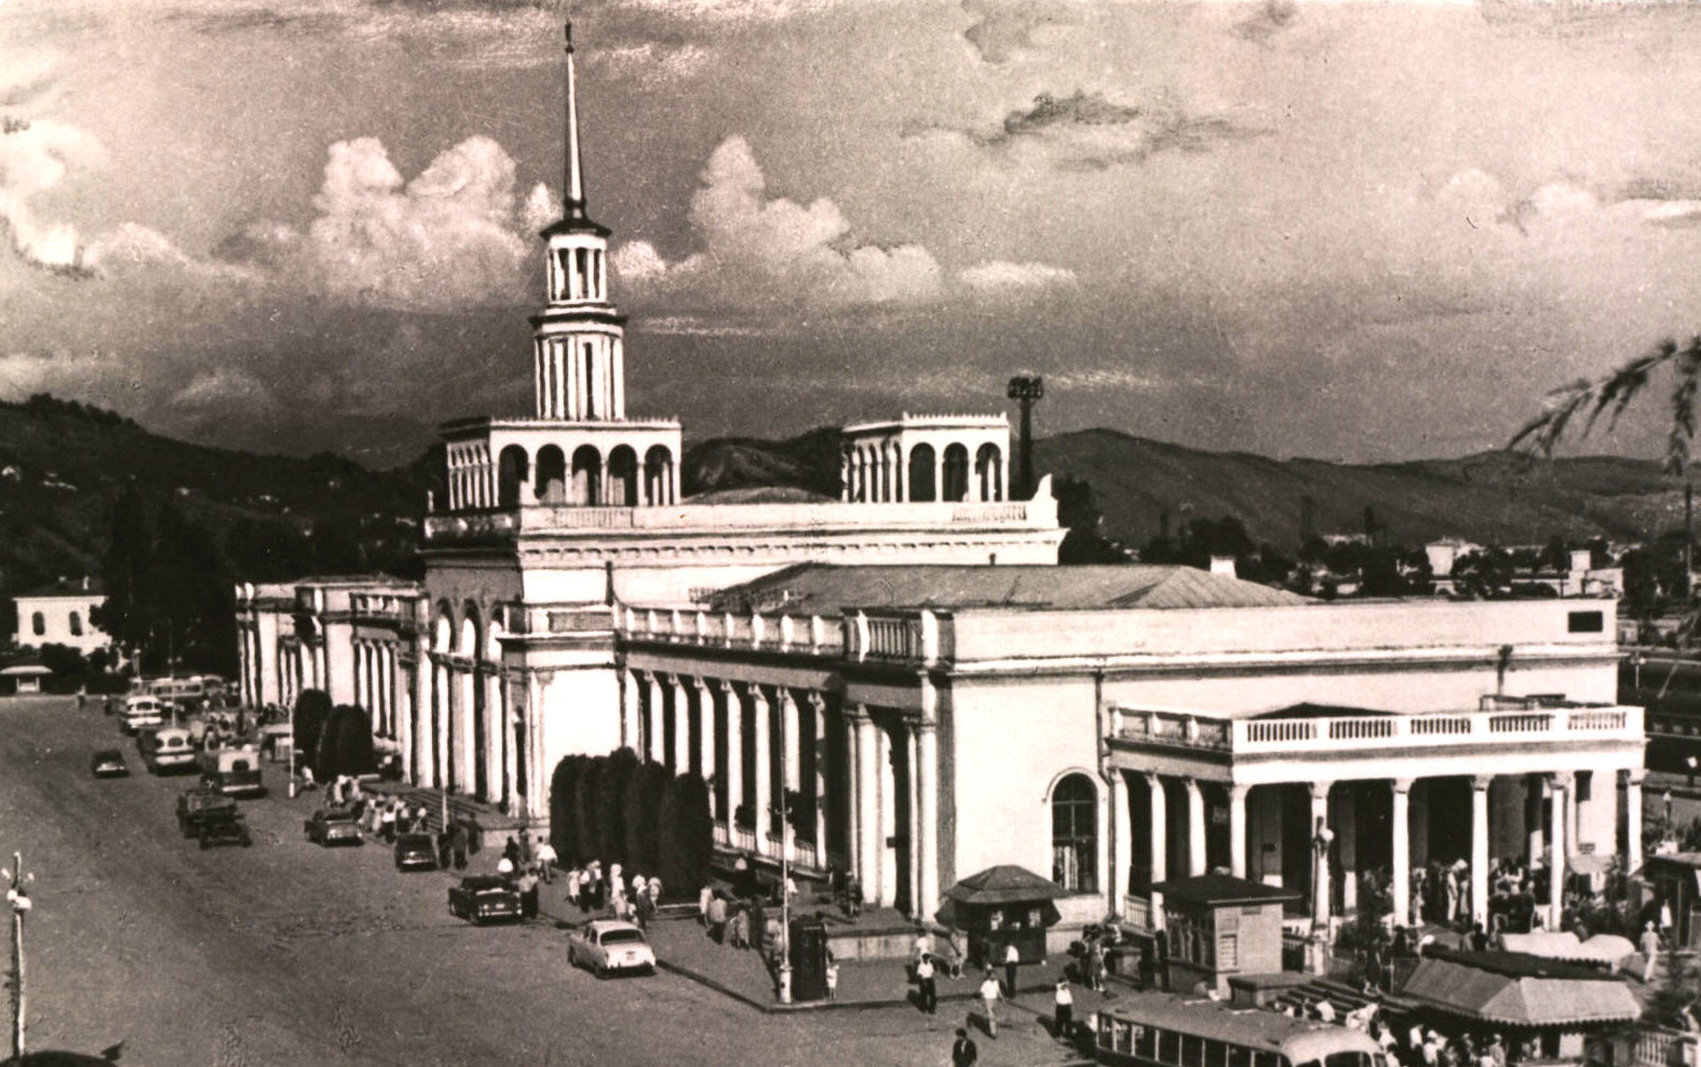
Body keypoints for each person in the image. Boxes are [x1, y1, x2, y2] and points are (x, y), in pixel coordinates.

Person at [979, 970, 1003, 1039]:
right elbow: (982, 993)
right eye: (993, 975)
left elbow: (998, 991)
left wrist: (1002, 998)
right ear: (989, 976)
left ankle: (991, 1028)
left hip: (995, 1000)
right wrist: (980, 1001)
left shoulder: (996, 982)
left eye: (995, 975)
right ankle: (993, 1033)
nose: (994, 976)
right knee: (991, 1016)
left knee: (994, 1015)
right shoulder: (985, 983)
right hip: (988, 1001)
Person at [1054, 977, 1074, 1043]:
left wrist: (1070, 1002)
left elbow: (1070, 999)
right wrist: (1065, 982)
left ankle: (1068, 1034)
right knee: (1059, 1021)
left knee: (1068, 1021)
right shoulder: (1059, 988)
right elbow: (1060, 985)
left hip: (1067, 1006)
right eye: (1065, 983)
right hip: (1060, 1007)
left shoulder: (1067, 990)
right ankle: (1057, 1034)